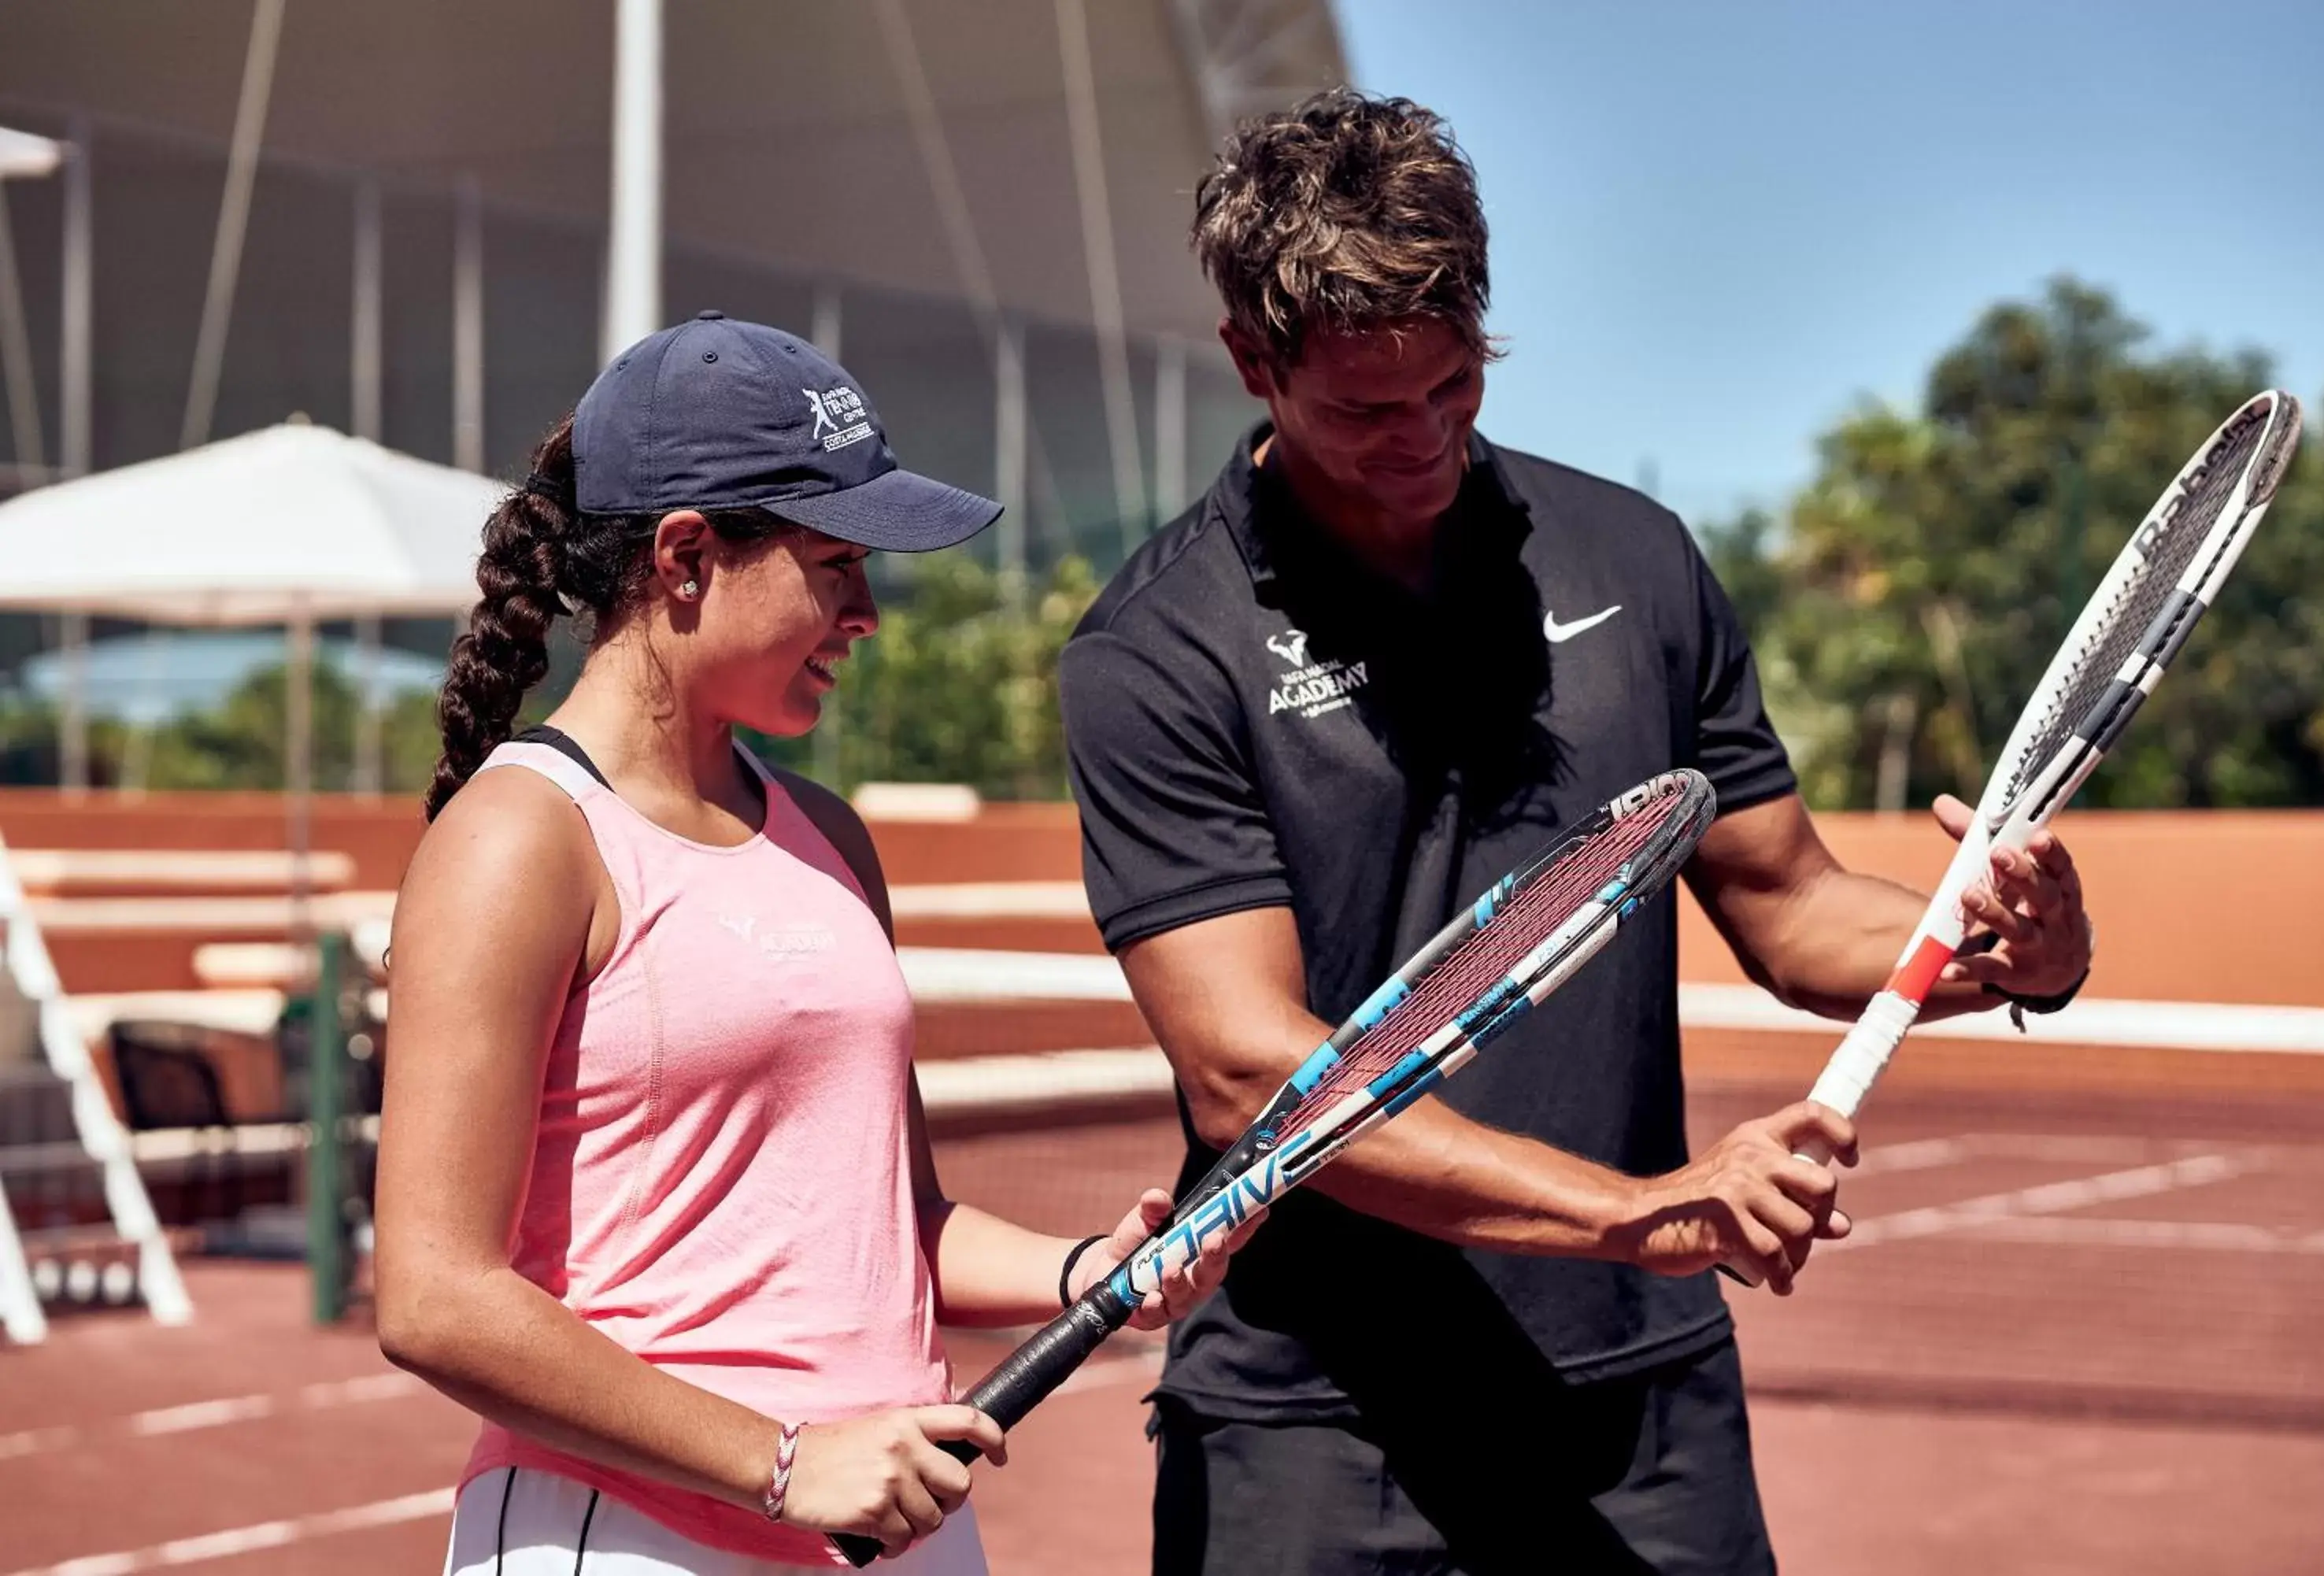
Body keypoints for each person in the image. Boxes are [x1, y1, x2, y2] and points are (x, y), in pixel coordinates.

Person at [1057, 91, 2095, 1575]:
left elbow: (1796, 909)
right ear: (1251, 364)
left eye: (1454, 383)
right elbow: (1249, 1074)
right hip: (1317, 1426)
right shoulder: (1159, 650)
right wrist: (1642, 1211)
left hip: (1641, 1415)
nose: (1421, 438)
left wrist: (2006, 951)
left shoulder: (1636, 557)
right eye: (1363, 408)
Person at [374, 313, 1247, 1575]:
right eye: (838, 560)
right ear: (685, 555)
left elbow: (899, 1218)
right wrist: (785, 1458)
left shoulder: (830, 835)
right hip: (633, 1536)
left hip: (895, 1527)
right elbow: (435, 1297)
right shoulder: (519, 838)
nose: (870, 613)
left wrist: (1083, 1267)